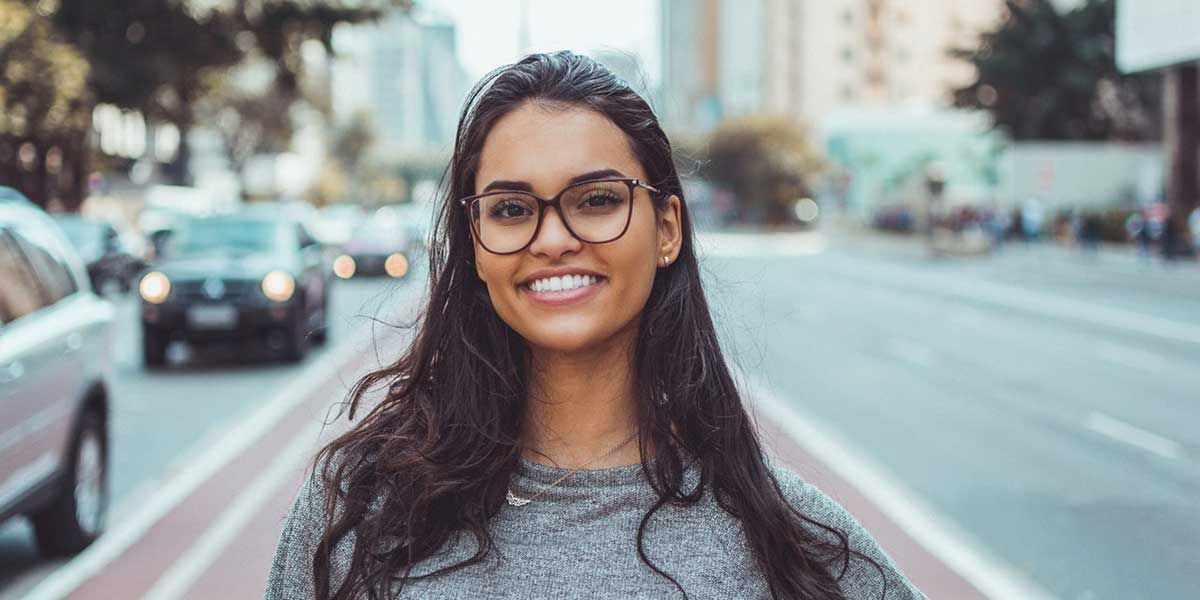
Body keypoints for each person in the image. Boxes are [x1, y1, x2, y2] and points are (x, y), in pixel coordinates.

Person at [266, 51, 924, 600]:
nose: (552, 239)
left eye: (598, 200)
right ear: (473, 243)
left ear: (666, 229)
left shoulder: (790, 544)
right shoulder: (356, 512)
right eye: (512, 208)